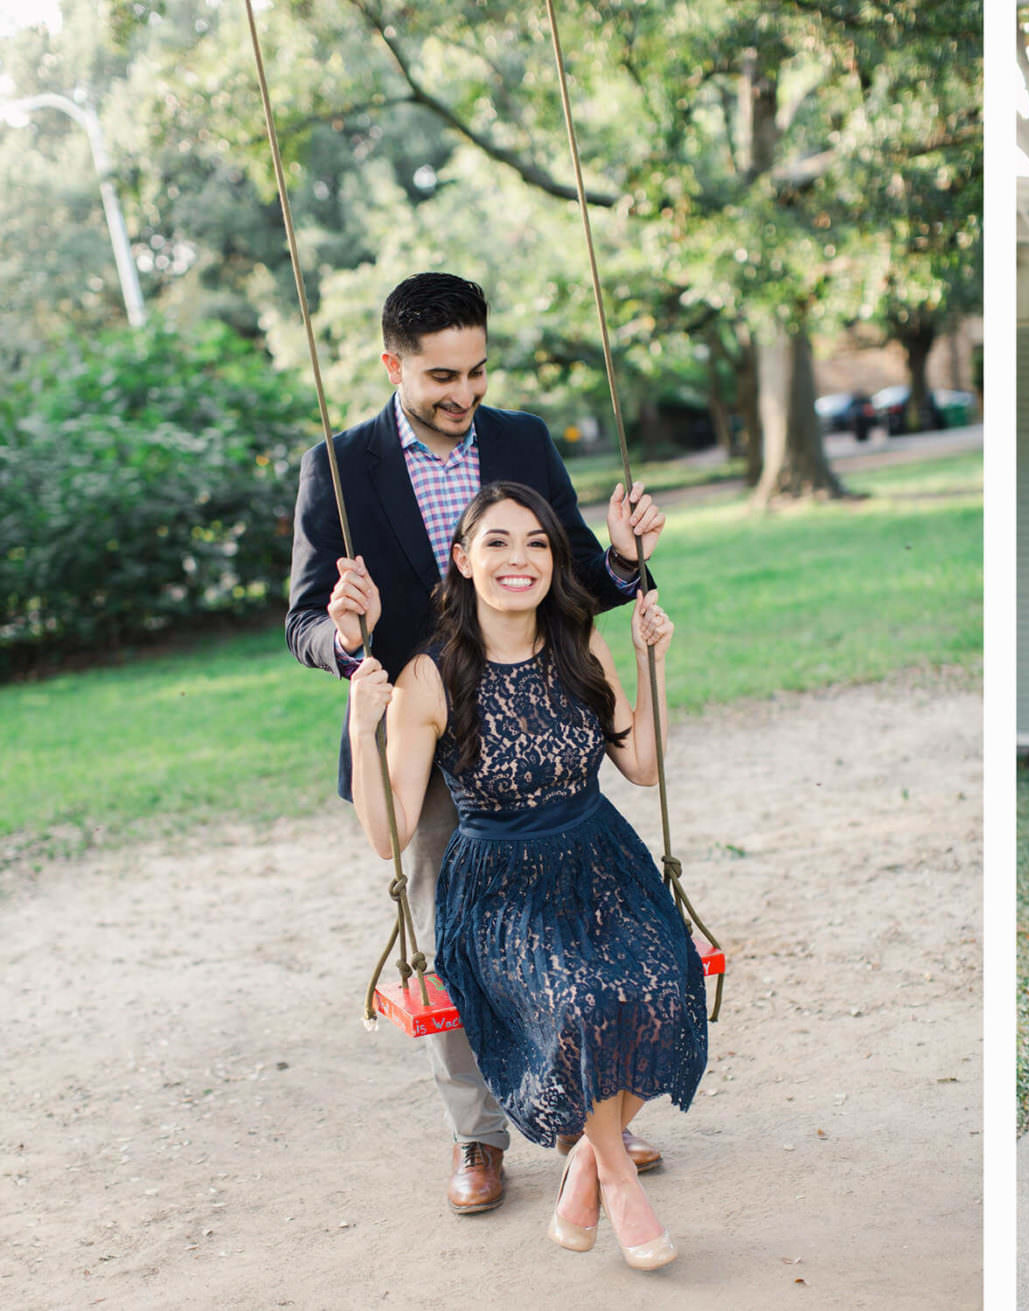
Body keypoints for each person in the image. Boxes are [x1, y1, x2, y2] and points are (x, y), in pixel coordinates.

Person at [285, 271, 668, 1215]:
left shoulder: (525, 439)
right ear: (393, 364)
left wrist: (621, 558)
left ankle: (589, 1118)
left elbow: (566, 566)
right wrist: (346, 637)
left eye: (478, 371)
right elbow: (301, 619)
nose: (464, 394)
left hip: (533, 706)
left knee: (570, 924)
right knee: (452, 940)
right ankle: (480, 1136)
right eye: (441, 377)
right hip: (432, 720)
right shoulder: (338, 466)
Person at [348, 481, 706, 1269]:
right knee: (582, 1001)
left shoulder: (582, 641)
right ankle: (619, 1181)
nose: (520, 558)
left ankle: (584, 1159)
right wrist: (360, 724)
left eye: (538, 542)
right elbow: (387, 835)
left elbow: (641, 764)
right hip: (500, 894)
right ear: (463, 558)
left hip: (601, 862)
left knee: (667, 980)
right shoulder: (429, 677)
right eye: (498, 542)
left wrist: (653, 665)